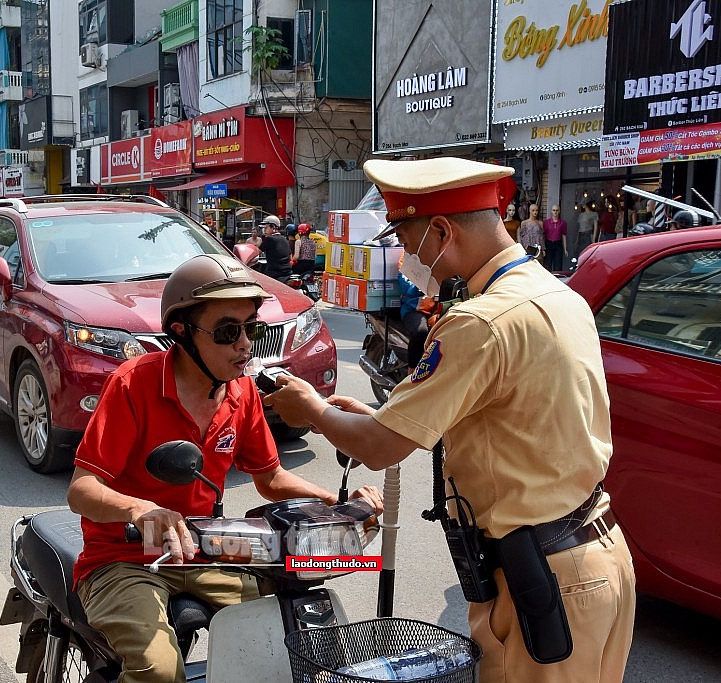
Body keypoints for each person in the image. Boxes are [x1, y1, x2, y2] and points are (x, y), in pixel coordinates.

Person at [263, 157, 635, 683]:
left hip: (545, 575)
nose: (410, 260)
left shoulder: (479, 322)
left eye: (409, 242)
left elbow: (378, 448)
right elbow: (505, 418)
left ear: (441, 230)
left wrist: (314, 411)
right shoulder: (555, 293)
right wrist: (379, 417)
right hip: (594, 558)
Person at [67, 253, 381, 683]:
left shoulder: (242, 392)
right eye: (228, 331)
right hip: (123, 559)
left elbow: (270, 479)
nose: (245, 344)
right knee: (158, 671)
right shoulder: (132, 385)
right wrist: (141, 511)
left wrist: (340, 505)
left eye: (251, 329)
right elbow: (82, 490)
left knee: (289, 632)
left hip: (203, 549)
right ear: (182, 332)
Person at [258, 215, 292, 280]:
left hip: (274, 273)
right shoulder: (284, 239)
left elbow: (256, 252)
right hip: (288, 273)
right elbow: (290, 257)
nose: (264, 230)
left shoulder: (269, 239)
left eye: (266, 228)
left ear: (273, 227)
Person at [542, 205, 567, 272]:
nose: (555, 212)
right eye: (553, 210)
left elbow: (564, 236)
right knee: (548, 264)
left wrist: (565, 249)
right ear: (551, 211)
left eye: (557, 210)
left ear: (559, 211)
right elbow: (543, 235)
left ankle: (557, 279)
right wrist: (543, 248)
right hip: (548, 244)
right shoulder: (546, 222)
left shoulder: (563, 223)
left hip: (558, 244)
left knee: (558, 264)